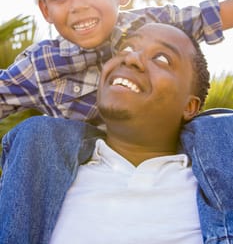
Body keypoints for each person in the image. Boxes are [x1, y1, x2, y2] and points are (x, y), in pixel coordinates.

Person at [0, 23, 233, 244]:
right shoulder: (36, 170)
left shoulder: (217, 181)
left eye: (162, 58)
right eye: (126, 48)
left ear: (189, 106)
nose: (131, 58)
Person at [0, 0, 233, 126]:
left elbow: (215, 15)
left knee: (214, 126)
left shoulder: (154, 25)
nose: (78, 5)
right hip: (86, 165)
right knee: (35, 132)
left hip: (158, 148)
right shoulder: (39, 65)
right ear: (46, 10)